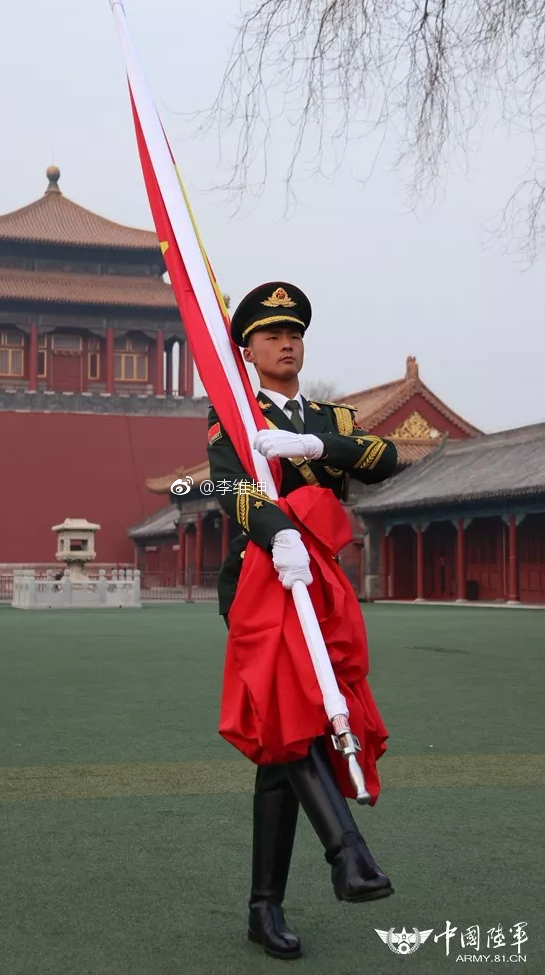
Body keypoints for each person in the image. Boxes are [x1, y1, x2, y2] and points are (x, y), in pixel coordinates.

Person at [207, 282, 398, 961]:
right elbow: (229, 483)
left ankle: (264, 908)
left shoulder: (328, 418)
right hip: (263, 578)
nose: (286, 343)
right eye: (270, 335)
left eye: (294, 333)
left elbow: (386, 457)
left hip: (322, 583)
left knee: (280, 748)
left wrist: (311, 443)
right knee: (291, 714)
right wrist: (275, 529)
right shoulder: (233, 409)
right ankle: (349, 853)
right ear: (249, 350)